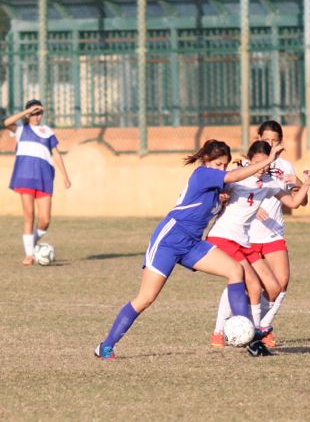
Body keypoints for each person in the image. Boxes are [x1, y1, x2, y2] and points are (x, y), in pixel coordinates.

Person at [94, 139, 284, 360]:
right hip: (170, 239)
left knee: (235, 271)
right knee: (146, 298)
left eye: (224, 164)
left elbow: (235, 181)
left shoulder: (217, 186)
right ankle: (106, 346)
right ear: (206, 161)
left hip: (192, 243)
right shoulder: (202, 173)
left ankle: (247, 335)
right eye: (218, 164)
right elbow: (233, 176)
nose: (221, 169)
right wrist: (268, 160)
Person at [207, 140, 310, 348]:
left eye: (266, 163)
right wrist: (222, 196)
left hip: (243, 242)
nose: (262, 168)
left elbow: (293, 202)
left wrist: (307, 184)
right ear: (249, 160)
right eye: (258, 162)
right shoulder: (237, 178)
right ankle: (249, 337)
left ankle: (247, 326)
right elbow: (217, 190)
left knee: (273, 287)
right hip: (224, 237)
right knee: (254, 286)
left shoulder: (269, 183)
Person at [248, 120, 304, 347]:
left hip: (273, 233)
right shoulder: (247, 163)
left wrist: (301, 183)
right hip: (249, 235)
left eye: (275, 141)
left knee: (281, 283)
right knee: (251, 286)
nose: (270, 144)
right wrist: (253, 207)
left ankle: (264, 327)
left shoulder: (286, 167)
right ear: (257, 137)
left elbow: (298, 202)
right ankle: (221, 329)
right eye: (266, 140)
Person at [3, 99, 72, 266]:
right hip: (24, 177)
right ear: (28, 115)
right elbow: (6, 122)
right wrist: (25, 112)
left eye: (39, 112)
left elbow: (56, 153)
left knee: (45, 220)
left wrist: (65, 175)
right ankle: (29, 255)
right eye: (33, 113)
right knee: (29, 215)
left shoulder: (47, 131)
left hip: (44, 177)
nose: (36, 116)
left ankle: (32, 243)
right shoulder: (20, 130)